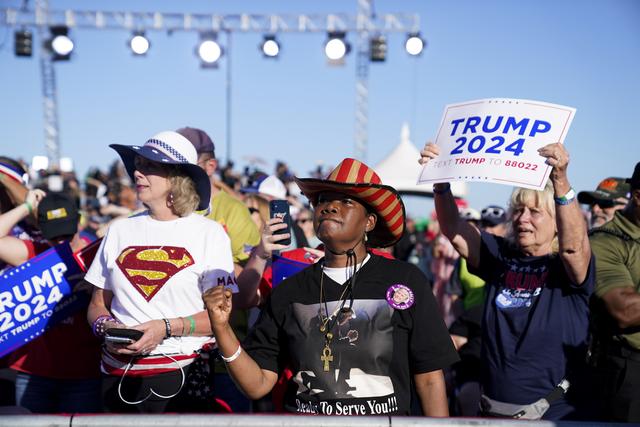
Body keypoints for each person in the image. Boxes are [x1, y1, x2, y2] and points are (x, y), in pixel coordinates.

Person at [204, 158, 459, 416]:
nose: (329, 207)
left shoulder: (405, 280)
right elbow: (257, 384)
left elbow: (429, 378)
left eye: (346, 201)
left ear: (369, 222)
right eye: (323, 200)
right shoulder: (288, 292)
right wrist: (222, 328)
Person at [419, 142, 593, 420]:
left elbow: (573, 248)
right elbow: (454, 229)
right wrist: (441, 183)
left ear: (557, 221)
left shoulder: (566, 267)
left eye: (535, 212)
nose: (523, 219)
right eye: (518, 210)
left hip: (553, 415)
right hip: (492, 410)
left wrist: (560, 180)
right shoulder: (501, 255)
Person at [85, 131, 236, 413]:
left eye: (150, 166)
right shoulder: (119, 230)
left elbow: (221, 316)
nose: (137, 173)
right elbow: (97, 304)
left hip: (182, 374)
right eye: (138, 165)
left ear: (177, 178)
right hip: (116, 375)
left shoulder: (209, 234)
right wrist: (107, 327)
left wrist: (164, 328)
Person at [0, 191, 102, 413]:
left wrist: (96, 291)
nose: (61, 241)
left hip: (83, 374)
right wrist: (26, 207)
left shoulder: (97, 252)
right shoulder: (36, 254)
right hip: (34, 373)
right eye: (54, 236)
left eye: (66, 233)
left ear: (77, 221)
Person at [588, 162, 640, 422]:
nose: (596, 209)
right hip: (630, 372)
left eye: (605, 204)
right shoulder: (605, 240)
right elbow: (625, 311)